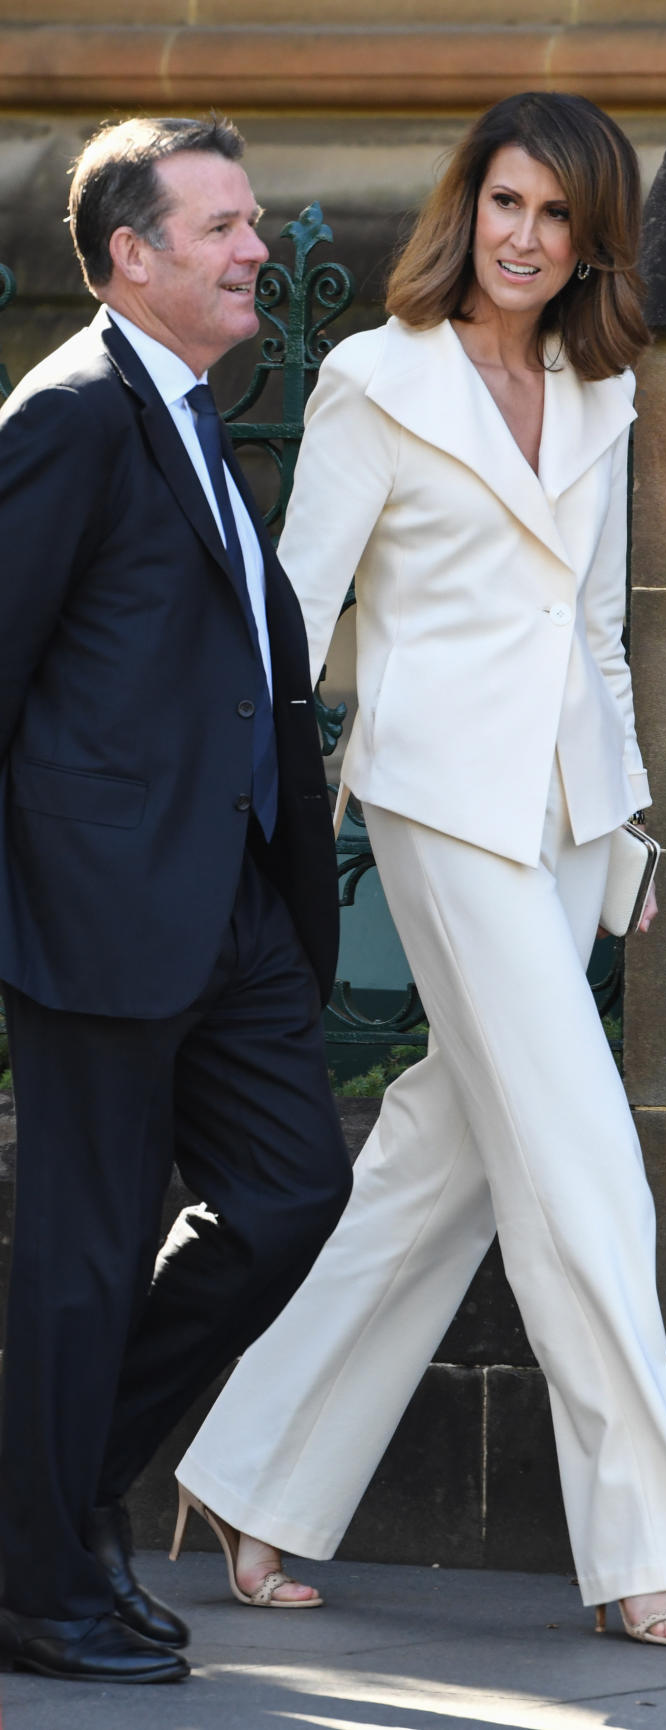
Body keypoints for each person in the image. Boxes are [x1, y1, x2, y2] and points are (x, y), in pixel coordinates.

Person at [176, 91, 666, 1647]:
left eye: (557, 217)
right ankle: (642, 1539)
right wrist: (235, 812)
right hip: (439, 807)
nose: (524, 236)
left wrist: (629, 823)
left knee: (447, 1158)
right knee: (583, 1160)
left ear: (588, 244)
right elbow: (293, 607)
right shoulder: (373, 377)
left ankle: (252, 1475)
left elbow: (600, 630)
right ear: (465, 203)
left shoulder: (596, 388)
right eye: (505, 201)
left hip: (567, 819)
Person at [0, 115, 354, 1684]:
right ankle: (37, 1573)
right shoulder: (73, 415)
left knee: (293, 1195)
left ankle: (48, 1498)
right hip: (97, 910)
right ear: (129, 255)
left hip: (231, 910)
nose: (255, 249)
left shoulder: (196, 416)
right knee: (80, 1257)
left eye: (254, 221)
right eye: (220, 227)